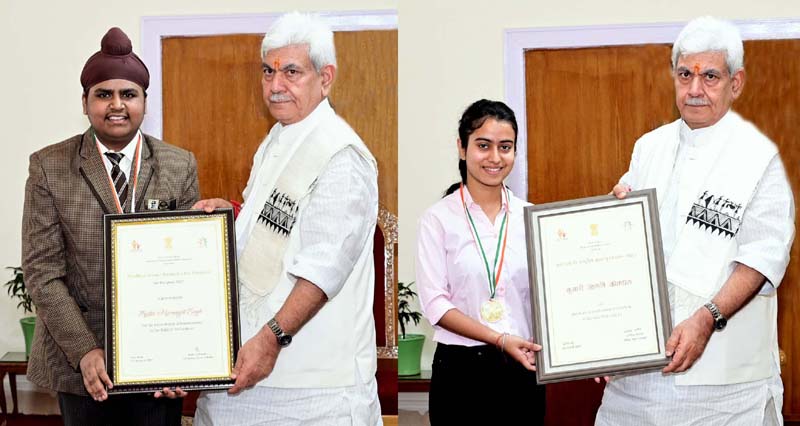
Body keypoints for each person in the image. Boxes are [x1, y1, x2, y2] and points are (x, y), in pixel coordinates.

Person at [595, 16, 794, 426]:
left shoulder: (759, 159)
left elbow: (763, 259)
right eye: (685, 74)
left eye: (710, 77)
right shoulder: (648, 147)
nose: (695, 89)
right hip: (637, 376)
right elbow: (626, 234)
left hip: (721, 385)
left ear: (735, 83)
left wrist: (706, 319)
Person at [191, 12, 381, 425]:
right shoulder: (279, 137)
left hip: (312, 390)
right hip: (248, 367)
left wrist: (272, 339)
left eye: (291, 71)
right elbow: (284, 228)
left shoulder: (341, 154)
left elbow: (323, 268)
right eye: (268, 71)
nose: (276, 86)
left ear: (325, 78)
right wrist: (233, 217)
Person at [21, 27, 199, 425]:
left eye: (128, 94)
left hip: (157, 362)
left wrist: (180, 350)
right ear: (85, 102)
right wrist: (85, 350)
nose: (116, 105)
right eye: (104, 94)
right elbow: (42, 273)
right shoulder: (49, 167)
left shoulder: (179, 164)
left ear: (144, 102)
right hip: (80, 363)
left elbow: (188, 270)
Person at [416, 99, 546, 425]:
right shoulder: (438, 219)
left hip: (522, 368)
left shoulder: (531, 218)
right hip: (460, 372)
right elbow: (436, 306)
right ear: (462, 148)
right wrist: (499, 339)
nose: (495, 157)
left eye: (506, 147)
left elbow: (553, 296)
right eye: (483, 145)